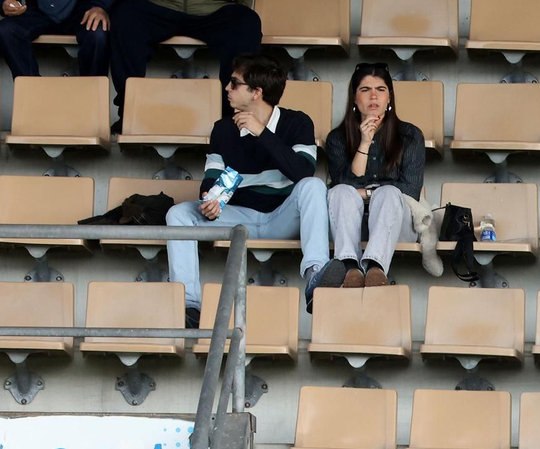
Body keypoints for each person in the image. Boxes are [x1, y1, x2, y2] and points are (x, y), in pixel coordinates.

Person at [164, 53, 327, 326]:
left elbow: (302, 172)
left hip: (282, 217)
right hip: (239, 218)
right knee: (179, 214)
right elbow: (213, 177)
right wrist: (210, 200)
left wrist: (262, 133)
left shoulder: (297, 122)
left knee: (313, 186)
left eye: (234, 83)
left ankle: (316, 277)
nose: (227, 88)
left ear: (256, 92)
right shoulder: (223, 129)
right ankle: (188, 306)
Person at [111, 0, 270, 115]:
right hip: (159, 1)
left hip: (220, 4)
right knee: (126, 17)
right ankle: (129, 114)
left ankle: (235, 120)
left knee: (246, 23)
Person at [323, 62, 427, 288]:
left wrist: (368, 192)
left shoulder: (410, 135)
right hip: (350, 225)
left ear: (389, 98)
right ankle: (349, 268)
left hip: (396, 223)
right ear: (354, 98)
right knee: (340, 192)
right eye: (365, 89)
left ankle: (375, 269)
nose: (373, 96)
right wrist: (365, 143)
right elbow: (343, 185)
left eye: (380, 90)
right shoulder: (337, 138)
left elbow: (410, 189)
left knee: (389, 193)